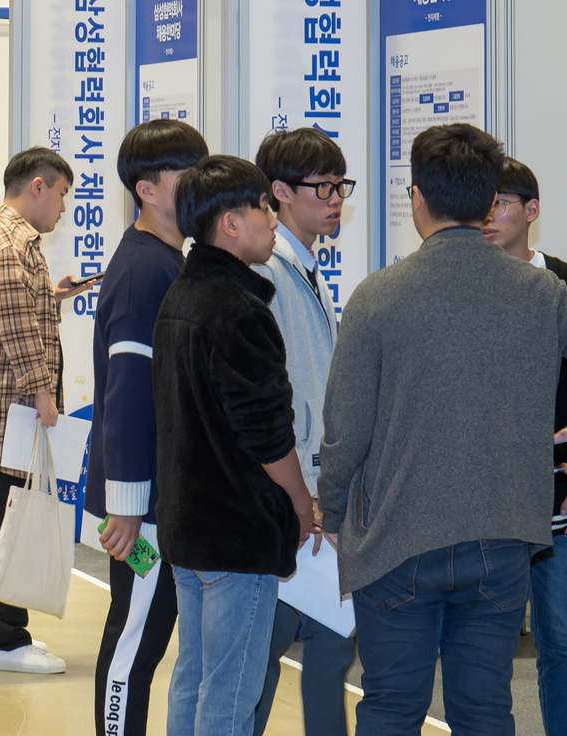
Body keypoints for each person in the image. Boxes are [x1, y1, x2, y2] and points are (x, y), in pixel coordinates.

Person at [318, 124, 567, 735]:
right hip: (502, 537)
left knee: (390, 709)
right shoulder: (539, 290)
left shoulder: (377, 297)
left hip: (395, 536)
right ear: (490, 201)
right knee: (486, 712)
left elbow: (346, 429)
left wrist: (332, 510)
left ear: (417, 198)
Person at [156, 155, 317, 736]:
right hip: (235, 532)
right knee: (230, 692)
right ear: (229, 222)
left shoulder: (181, 295)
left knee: (194, 675)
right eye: (263, 208)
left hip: (188, 527)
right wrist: (300, 501)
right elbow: (267, 434)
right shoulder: (240, 310)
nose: (272, 220)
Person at [87, 119, 208, 736]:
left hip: (155, 500)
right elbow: (128, 395)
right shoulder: (145, 270)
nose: (200, 186)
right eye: (188, 175)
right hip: (145, 510)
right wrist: (129, 507)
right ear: (147, 188)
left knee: (143, 632)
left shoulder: (162, 259)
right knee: (134, 638)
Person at [0, 146, 91, 675]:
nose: (63, 207)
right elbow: (15, 330)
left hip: (6, 406)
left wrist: (51, 296)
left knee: (1, 513)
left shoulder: (2, 235)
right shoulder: (11, 242)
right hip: (11, 407)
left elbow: (12, 308)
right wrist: (44, 393)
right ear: (38, 186)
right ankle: (4, 637)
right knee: (8, 517)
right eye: (61, 194)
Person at [478, 156, 567, 736]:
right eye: (482, 204)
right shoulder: (467, 286)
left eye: (499, 203)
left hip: (561, 495)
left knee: (557, 641)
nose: (488, 215)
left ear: (532, 210)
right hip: (488, 499)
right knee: (486, 645)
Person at [246, 128, 357, 736]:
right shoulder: (269, 273)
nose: (336, 199)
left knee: (328, 646)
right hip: (290, 493)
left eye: (341, 186)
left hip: (314, 489)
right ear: (281, 191)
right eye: (324, 187)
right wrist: (302, 495)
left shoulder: (305, 267)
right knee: (265, 651)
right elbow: (272, 401)